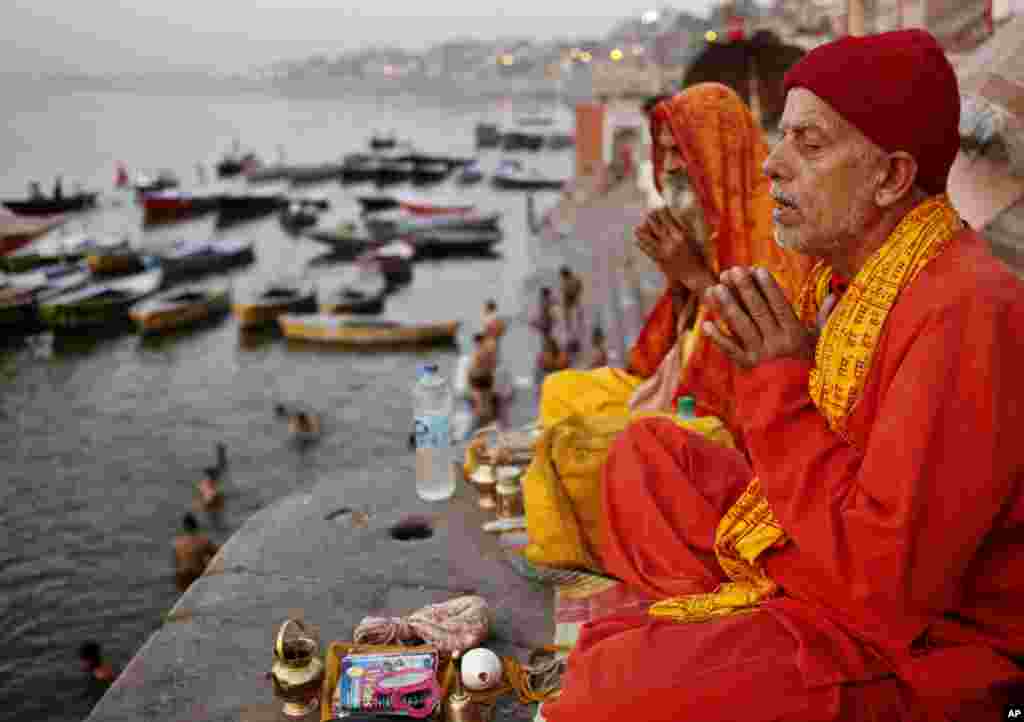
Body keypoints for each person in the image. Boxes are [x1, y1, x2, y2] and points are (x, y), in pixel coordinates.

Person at [542, 30, 1024, 722]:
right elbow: (781, 454)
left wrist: (777, 377)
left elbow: (888, 587)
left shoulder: (967, 310)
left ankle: (720, 640)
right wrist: (755, 363)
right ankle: (725, 634)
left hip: (921, 644)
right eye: (782, 139)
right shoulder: (849, 279)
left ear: (890, 177)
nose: (773, 165)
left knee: (606, 686)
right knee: (648, 458)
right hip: (828, 558)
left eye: (810, 143)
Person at [538, 83, 812, 431]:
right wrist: (678, 277)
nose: (667, 167)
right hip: (676, 383)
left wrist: (694, 275)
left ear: (717, 152)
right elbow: (676, 341)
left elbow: (760, 359)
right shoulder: (704, 226)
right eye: (662, 152)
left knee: (583, 443)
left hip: (722, 416)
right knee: (560, 390)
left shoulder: (775, 235)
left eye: (680, 151)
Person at [173, 513, 219, 592]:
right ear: (196, 526)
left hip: (182, 578)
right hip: (196, 575)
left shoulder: (176, 543)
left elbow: (176, 565)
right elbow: (218, 555)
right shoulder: (204, 541)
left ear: (184, 527)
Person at [558, 265, 583, 351]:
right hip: (575, 307)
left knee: (572, 329)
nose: (561, 278)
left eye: (561, 276)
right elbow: (580, 287)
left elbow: (568, 293)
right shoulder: (575, 279)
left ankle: (574, 345)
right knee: (575, 328)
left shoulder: (567, 283)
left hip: (571, 308)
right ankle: (575, 344)